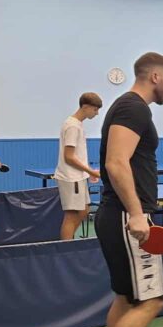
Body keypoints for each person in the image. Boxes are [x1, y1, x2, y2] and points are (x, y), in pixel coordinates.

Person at [67, 52, 163, 327]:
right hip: (127, 216)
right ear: (155, 76)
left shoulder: (128, 107)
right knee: (151, 300)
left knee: (126, 297)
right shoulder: (134, 108)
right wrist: (136, 213)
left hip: (118, 215)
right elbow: (116, 162)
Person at [55, 92, 103, 240]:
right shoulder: (72, 126)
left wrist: (88, 173)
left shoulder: (77, 124)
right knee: (71, 215)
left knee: (83, 211)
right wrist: (91, 172)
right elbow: (69, 157)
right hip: (71, 178)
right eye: (95, 109)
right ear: (85, 106)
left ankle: (69, 241)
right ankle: (67, 247)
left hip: (78, 176)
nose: (96, 113)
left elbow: (78, 154)